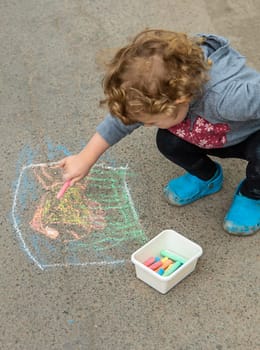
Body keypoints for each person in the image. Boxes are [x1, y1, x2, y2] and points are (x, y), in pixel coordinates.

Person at [58, 29, 260, 236]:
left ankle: (253, 195)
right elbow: (121, 121)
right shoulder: (157, 90)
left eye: (151, 121)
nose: (145, 125)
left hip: (250, 138)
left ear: (179, 102)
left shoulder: (229, 99)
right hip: (210, 133)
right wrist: (85, 158)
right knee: (168, 141)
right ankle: (207, 177)